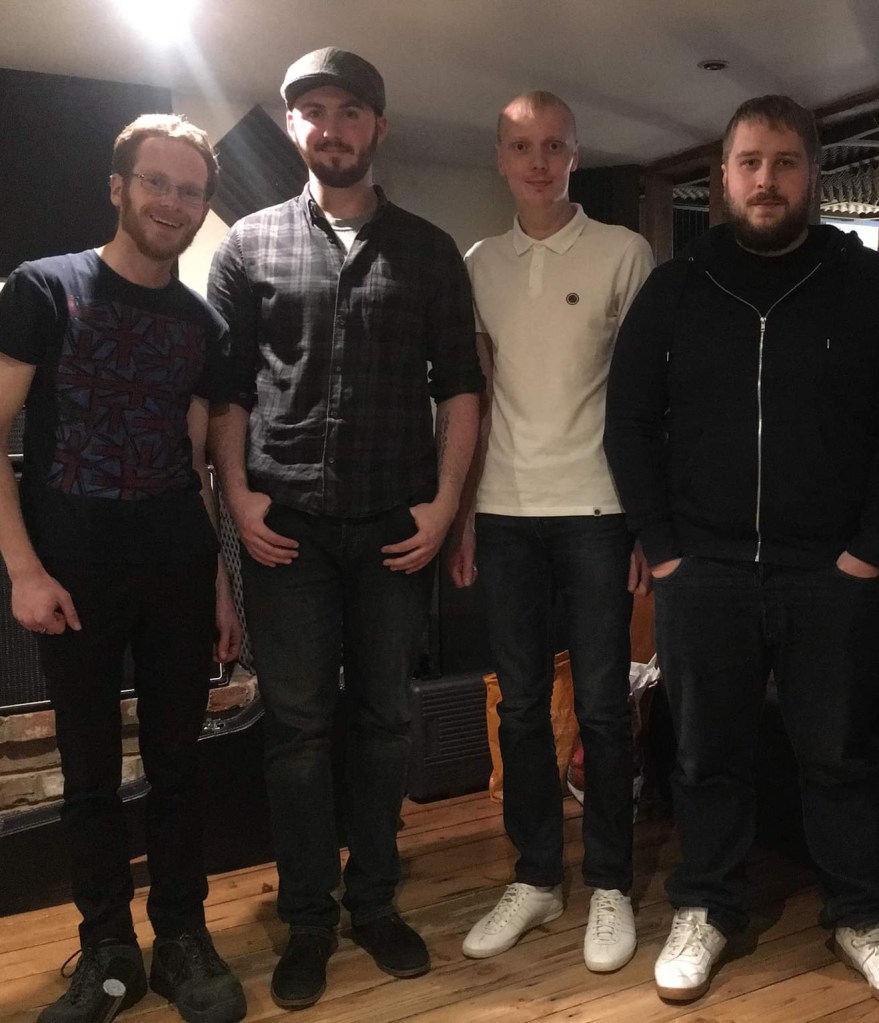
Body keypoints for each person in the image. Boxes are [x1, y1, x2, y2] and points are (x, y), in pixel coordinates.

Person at [207, 47, 483, 1010]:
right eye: (313, 111)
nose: (332, 127)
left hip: (390, 531)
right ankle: (309, 918)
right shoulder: (246, 247)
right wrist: (238, 499)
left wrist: (447, 505)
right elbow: (228, 391)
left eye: (350, 111)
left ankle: (373, 901)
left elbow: (461, 389)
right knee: (295, 731)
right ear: (294, 128)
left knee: (385, 720)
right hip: (285, 528)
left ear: (377, 126)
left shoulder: (431, 250)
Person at [604, 94, 879, 1003]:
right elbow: (629, 423)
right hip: (704, 571)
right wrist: (664, 549)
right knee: (705, 753)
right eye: (749, 162)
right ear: (722, 177)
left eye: (786, 162)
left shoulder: (860, 281)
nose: (767, 180)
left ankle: (858, 909)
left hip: (829, 570)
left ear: (811, 172)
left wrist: (866, 554)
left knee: (838, 752)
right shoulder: (677, 289)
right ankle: (707, 905)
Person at [0, 115, 247, 1023]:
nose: (173, 202)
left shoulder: (203, 323)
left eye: (189, 189)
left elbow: (196, 462)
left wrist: (218, 577)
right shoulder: (44, 288)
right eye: (157, 182)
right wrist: (23, 569)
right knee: (90, 770)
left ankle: (181, 937)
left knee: (182, 766)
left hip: (177, 568)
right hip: (70, 572)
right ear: (118, 185)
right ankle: (107, 948)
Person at [447, 91, 654, 971]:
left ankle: (608, 879)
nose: (537, 160)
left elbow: (647, 400)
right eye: (521, 145)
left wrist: (650, 518)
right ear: (499, 156)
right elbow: (473, 396)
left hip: (600, 511)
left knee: (604, 709)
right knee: (520, 705)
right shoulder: (475, 262)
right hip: (503, 512)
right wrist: (459, 512)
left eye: (554, 146)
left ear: (576, 153)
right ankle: (536, 875)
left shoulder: (625, 250)